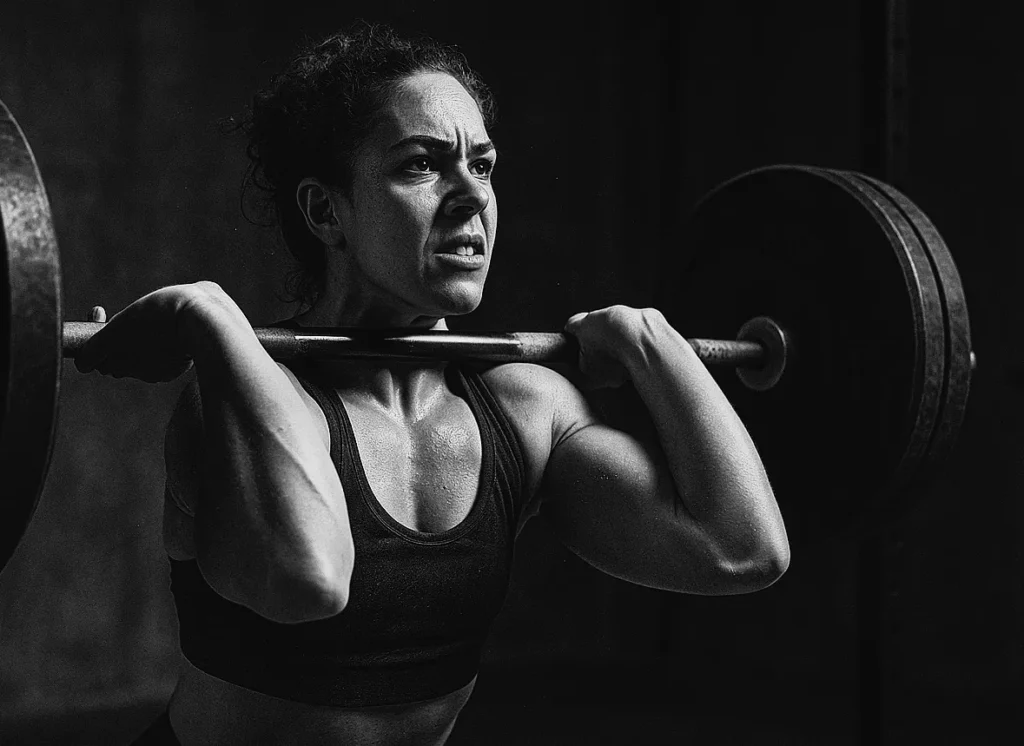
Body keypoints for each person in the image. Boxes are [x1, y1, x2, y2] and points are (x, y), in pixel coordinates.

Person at [77, 23, 790, 746]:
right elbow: (308, 582)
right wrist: (213, 321)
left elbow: (741, 550)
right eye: (422, 165)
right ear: (328, 212)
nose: (469, 198)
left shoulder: (524, 410)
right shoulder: (242, 398)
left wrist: (655, 348)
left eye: (482, 166)